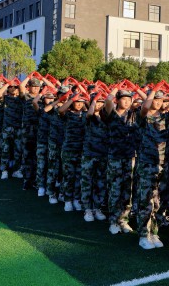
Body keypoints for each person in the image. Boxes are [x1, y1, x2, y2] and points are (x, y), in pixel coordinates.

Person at [136, 87, 169, 249]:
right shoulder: (143, 117)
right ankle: (144, 234)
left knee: (159, 201)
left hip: (164, 164)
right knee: (146, 200)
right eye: (155, 99)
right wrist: (153, 91)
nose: (158, 102)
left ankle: (154, 231)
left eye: (161, 100)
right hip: (147, 164)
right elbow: (145, 107)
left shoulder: (166, 117)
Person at [104, 86, 146, 235]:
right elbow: (108, 101)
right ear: (118, 100)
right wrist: (116, 88)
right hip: (115, 156)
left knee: (127, 190)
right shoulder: (111, 114)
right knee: (115, 189)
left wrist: (136, 89)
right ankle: (113, 221)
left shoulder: (134, 114)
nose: (127, 102)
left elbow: (147, 102)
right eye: (124, 99)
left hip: (129, 156)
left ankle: (123, 220)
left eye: (129, 99)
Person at [81, 91, 109, 222]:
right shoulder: (88, 116)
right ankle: (87, 209)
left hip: (102, 154)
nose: (99, 105)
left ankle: (97, 207)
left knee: (100, 182)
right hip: (89, 154)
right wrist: (93, 101)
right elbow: (90, 114)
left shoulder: (106, 117)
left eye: (101, 103)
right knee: (87, 182)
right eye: (97, 102)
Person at [58, 92, 88, 211]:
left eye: (81, 102)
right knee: (68, 176)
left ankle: (76, 199)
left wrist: (87, 99)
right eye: (77, 102)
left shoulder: (85, 114)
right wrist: (71, 99)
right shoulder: (68, 114)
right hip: (69, 149)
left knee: (79, 176)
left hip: (81, 149)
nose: (79, 104)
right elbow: (61, 110)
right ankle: (68, 200)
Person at [33, 88, 56, 197]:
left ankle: (50, 189)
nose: (50, 100)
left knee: (52, 166)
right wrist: (41, 93)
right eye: (47, 98)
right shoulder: (41, 109)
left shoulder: (57, 110)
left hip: (53, 142)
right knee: (41, 164)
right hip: (42, 141)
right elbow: (34, 102)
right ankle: (41, 186)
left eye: (52, 98)